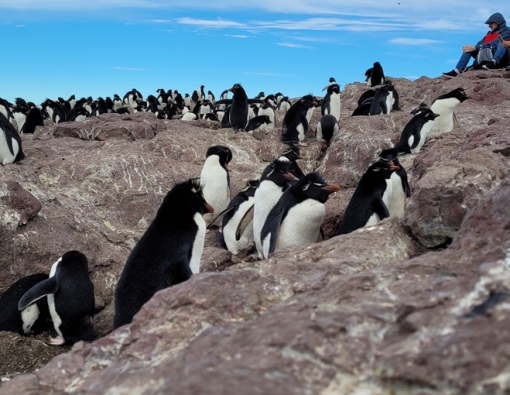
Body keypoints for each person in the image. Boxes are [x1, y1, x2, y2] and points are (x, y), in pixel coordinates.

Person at [443, 12, 510, 77]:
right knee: (469, 48)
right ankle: (458, 70)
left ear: (498, 22)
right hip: (487, 55)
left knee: (502, 43)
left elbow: (494, 43)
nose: (489, 26)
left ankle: (494, 62)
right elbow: (479, 44)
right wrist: (471, 48)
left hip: (501, 58)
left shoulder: (507, 31)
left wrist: (476, 47)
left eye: (491, 23)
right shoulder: (489, 34)